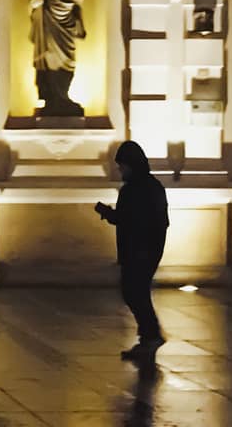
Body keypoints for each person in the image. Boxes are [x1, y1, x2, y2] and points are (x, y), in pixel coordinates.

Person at [95, 140, 169, 359]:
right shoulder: (152, 186)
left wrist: (107, 213)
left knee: (134, 292)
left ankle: (151, 335)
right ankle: (148, 336)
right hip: (148, 249)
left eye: (122, 166)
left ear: (131, 165)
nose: (121, 171)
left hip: (139, 250)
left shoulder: (133, 190)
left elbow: (126, 218)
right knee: (136, 292)